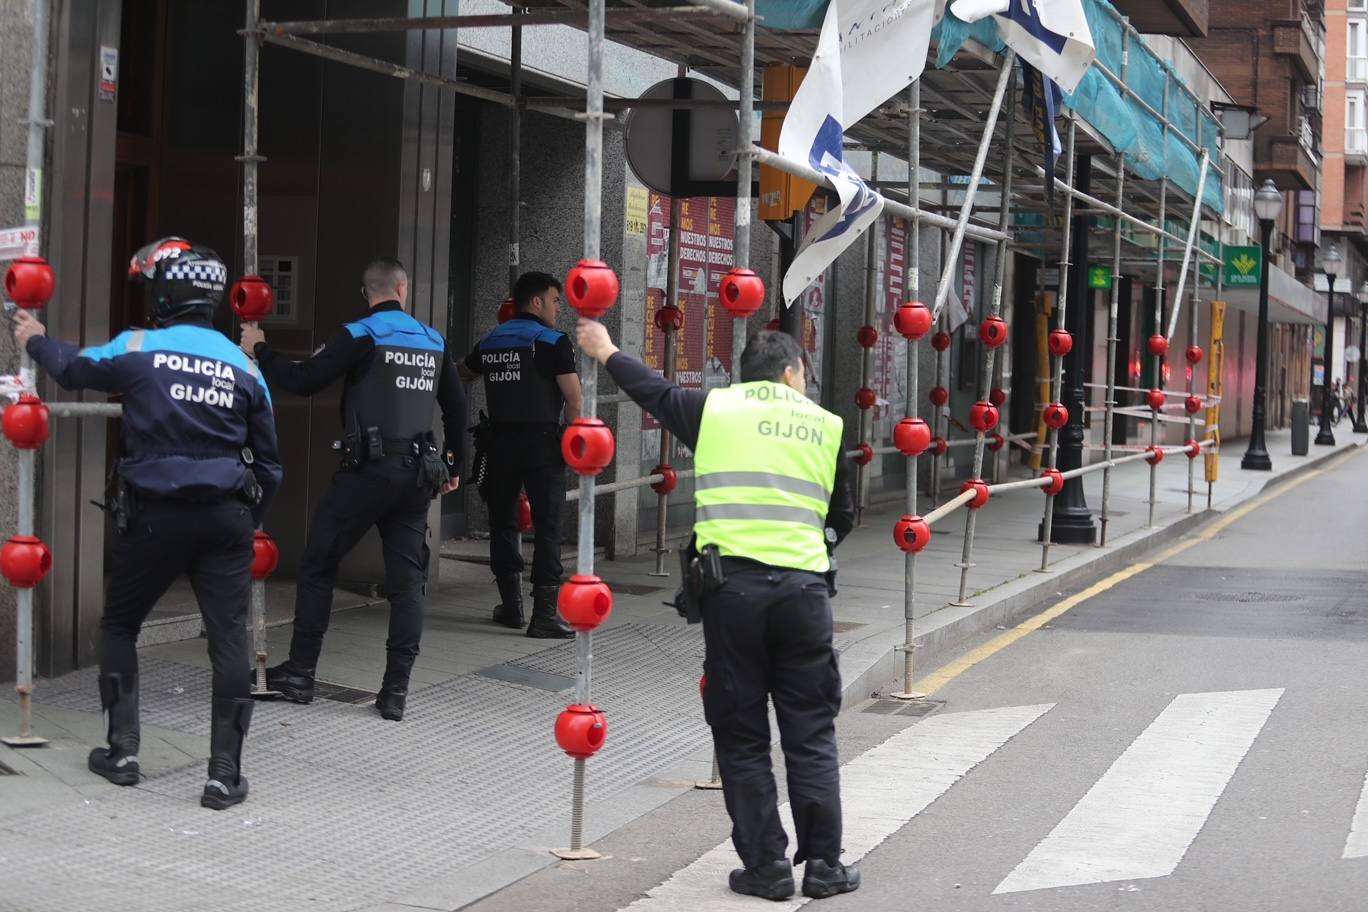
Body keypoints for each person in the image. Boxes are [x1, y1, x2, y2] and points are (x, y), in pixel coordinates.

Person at [576, 321, 859, 901]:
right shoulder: (826, 426)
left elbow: (650, 389)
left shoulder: (714, 410)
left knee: (742, 735)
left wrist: (605, 350)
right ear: (789, 373)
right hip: (805, 597)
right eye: (803, 375)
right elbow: (843, 516)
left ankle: (766, 867)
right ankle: (825, 866)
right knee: (810, 732)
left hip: (733, 596)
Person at [14, 237, 282, 810]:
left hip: (153, 517)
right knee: (229, 641)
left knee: (119, 626)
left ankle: (123, 751)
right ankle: (223, 775)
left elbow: (72, 368)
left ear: (164, 295)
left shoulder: (138, 346)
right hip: (228, 518)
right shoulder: (244, 365)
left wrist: (35, 340)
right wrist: (243, 521)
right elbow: (272, 464)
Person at [241, 258, 463, 722]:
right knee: (407, 586)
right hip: (418, 477)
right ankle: (395, 692)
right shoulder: (433, 340)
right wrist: (454, 463)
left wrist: (260, 350)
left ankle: (300, 673)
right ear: (403, 288)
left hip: (367, 472)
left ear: (367, 294)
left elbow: (303, 381)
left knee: (320, 563)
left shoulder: (361, 334)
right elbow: (456, 409)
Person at [460, 272, 582, 639]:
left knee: (503, 523)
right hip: (543, 444)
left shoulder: (492, 340)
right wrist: (572, 441)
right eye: (556, 300)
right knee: (547, 526)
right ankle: (544, 613)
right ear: (536, 302)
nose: (560, 308)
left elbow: (463, 373)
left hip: (499, 445)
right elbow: (573, 398)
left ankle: (511, 607)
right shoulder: (553, 342)